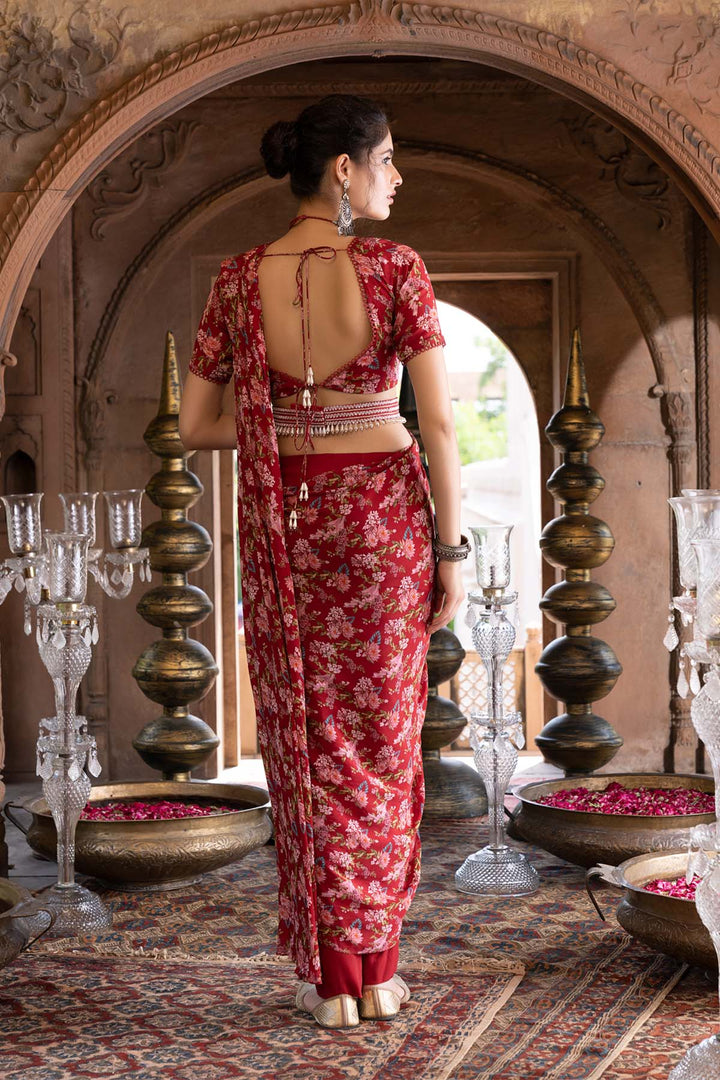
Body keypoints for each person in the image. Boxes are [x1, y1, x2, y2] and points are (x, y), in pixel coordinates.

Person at [179, 94, 467, 1030]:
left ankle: (333, 978)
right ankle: (375, 973)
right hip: (383, 525)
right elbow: (441, 424)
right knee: (381, 747)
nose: (396, 175)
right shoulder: (395, 270)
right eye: (386, 159)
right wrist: (452, 550)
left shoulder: (235, 278)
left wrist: (287, 425)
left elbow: (195, 426)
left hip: (286, 529)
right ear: (341, 168)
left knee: (309, 742)